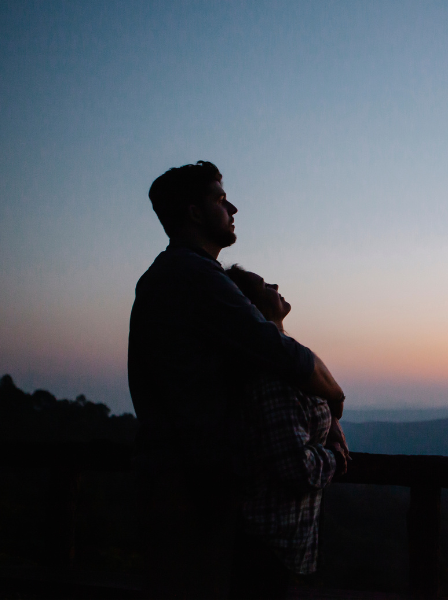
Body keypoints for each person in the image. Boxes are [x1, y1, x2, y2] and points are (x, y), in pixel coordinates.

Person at [128, 161, 346, 599]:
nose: (233, 207)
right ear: (194, 212)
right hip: (197, 491)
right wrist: (336, 398)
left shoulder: (164, 277)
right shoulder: (194, 276)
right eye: (220, 198)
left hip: (180, 481)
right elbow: (284, 355)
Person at [225, 265, 349, 599]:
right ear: (249, 307)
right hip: (268, 546)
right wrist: (335, 458)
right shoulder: (273, 379)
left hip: (278, 544)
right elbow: (296, 468)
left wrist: (331, 425)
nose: (276, 284)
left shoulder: (289, 366)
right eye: (264, 285)